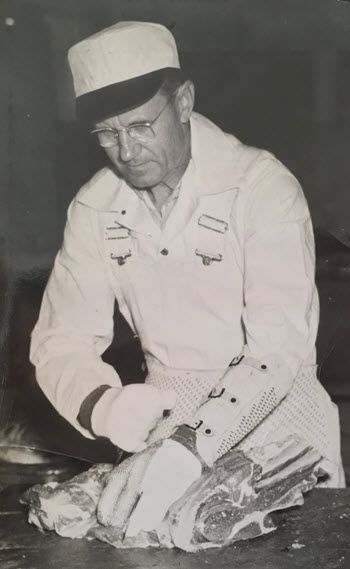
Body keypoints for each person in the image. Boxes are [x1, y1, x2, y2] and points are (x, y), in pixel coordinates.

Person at [30, 20, 344, 533]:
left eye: (139, 127)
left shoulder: (260, 187)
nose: (126, 151)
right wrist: (103, 408)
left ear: (182, 102)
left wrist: (193, 446)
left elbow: (277, 349)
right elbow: (60, 341)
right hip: (168, 425)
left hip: (279, 427)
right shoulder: (95, 206)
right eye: (107, 134)